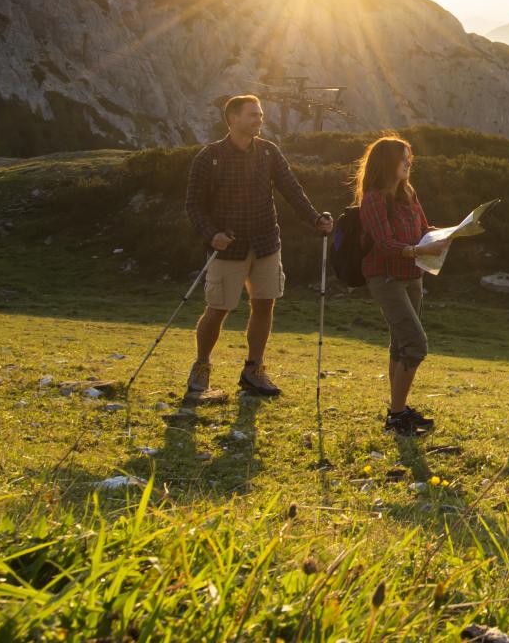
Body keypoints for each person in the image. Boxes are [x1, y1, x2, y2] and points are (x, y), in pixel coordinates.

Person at [182, 94, 332, 398]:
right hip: (228, 247)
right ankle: (201, 367)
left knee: (265, 304)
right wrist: (212, 235)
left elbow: (291, 189)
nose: (260, 120)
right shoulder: (209, 157)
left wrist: (315, 219)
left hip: (266, 244)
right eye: (253, 115)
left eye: (260, 115)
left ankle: (253, 370)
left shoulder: (268, 152)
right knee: (218, 308)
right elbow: (194, 205)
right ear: (233, 118)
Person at [353, 134, 446, 436]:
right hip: (386, 278)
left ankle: (399, 410)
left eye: (410, 157)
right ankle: (395, 416)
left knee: (400, 344)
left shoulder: (409, 194)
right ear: (387, 163)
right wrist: (421, 250)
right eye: (403, 158)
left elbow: (420, 230)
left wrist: (442, 235)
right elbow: (385, 245)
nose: (408, 163)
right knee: (416, 344)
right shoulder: (373, 199)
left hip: (412, 276)